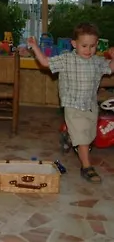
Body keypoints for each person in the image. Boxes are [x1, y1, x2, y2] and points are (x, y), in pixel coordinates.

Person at [28, 23, 114, 183]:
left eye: (92, 46)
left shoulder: (97, 61)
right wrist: (35, 47)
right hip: (72, 105)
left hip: (90, 106)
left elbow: (110, 68)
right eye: (84, 46)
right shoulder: (66, 59)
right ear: (74, 44)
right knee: (83, 140)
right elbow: (45, 62)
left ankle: (68, 136)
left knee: (89, 136)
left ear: (97, 44)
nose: (88, 50)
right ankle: (86, 167)